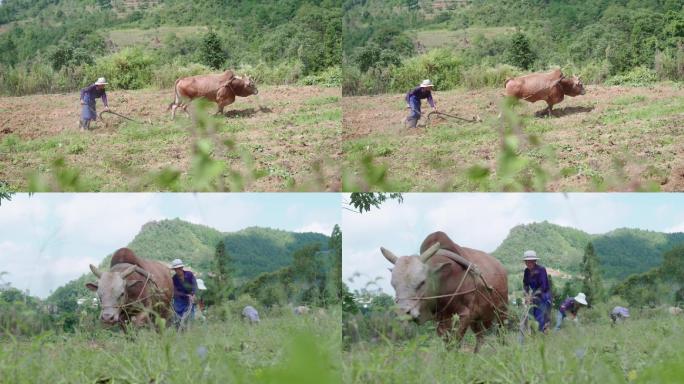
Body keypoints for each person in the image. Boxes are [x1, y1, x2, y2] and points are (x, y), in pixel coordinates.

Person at [522, 250, 552, 333]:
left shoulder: (541, 270)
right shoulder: (526, 271)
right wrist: (526, 294)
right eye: (526, 261)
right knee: (532, 316)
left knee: (540, 317)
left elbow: (543, 286)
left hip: (543, 295)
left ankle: (541, 335)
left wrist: (532, 296)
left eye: (530, 261)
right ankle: (534, 334)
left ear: (534, 261)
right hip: (533, 296)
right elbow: (525, 284)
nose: (528, 263)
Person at [170, 258, 197, 329]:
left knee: (191, 317)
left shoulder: (189, 274)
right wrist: (186, 295)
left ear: (182, 267)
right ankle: (179, 330)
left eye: (179, 268)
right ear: (174, 270)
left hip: (190, 299)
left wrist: (193, 294)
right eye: (176, 269)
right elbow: (175, 291)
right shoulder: (174, 279)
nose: (178, 270)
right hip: (179, 300)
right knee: (178, 317)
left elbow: (194, 284)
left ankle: (190, 330)